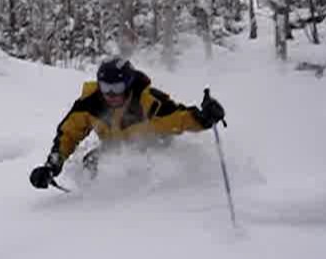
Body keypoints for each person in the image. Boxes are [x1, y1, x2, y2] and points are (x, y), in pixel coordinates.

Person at [29, 56, 226, 189]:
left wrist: (204, 118)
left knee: (136, 165)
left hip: (153, 147)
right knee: (91, 162)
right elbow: (68, 134)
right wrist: (51, 167)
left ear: (129, 85)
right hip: (116, 147)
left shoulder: (147, 102)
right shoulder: (89, 104)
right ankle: (93, 203)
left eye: (117, 87)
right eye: (106, 87)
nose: (111, 94)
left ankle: (142, 203)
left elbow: (178, 118)